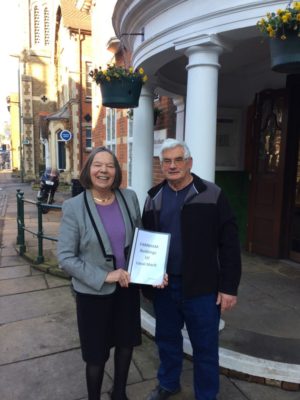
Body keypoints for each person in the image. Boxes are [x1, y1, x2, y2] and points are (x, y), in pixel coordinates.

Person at [142, 139, 242, 400]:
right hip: (164, 287)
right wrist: (148, 277)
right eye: (167, 161)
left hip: (203, 288)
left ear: (189, 163)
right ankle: (168, 383)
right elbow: (147, 243)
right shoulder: (153, 197)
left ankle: (207, 395)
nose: (172, 166)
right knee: (166, 340)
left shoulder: (212, 194)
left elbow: (229, 243)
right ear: (161, 165)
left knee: (205, 347)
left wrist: (229, 287)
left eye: (178, 160)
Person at [57, 147, 142, 400]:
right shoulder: (74, 206)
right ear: (88, 170)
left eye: (110, 166)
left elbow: (140, 239)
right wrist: (106, 276)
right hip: (93, 293)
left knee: (126, 344)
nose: (104, 171)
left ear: (116, 171)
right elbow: (65, 257)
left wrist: (152, 270)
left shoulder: (129, 197)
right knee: (96, 354)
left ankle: (119, 394)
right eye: (98, 165)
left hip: (127, 288)